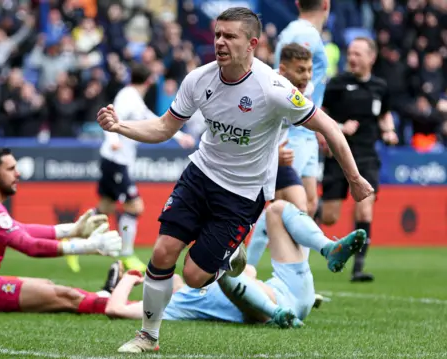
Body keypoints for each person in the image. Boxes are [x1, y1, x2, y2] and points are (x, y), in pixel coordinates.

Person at [97, 7, 373, 353]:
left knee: (196, 276)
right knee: (163, 250)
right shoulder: (198, 79)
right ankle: (148, 336)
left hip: (242, 194)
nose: (220, 42)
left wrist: (355, 178)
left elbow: (330, 127)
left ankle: (227, 258)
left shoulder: (274, 88)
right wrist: (120, 126)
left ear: (252, 44)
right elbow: (165, 127)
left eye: (230, 36)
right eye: (217, 35)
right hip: (200, 174)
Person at [102, 200, 366, 331]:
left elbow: (248, 269)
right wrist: (133, 276)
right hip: (269, 307)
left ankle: (327, 248)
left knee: (276, 209)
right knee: (221, 273)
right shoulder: (174, 304)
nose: (168, 273)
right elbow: (115, 309)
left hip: (290, 289)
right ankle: (277, 314)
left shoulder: (194, 285)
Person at [0, 147, 123, 314]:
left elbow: (22, 229)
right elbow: (30, 246)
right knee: (66, 297)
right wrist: (89, 246)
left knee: (47, 286)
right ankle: (124, 306)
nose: (18, 173)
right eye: (11, 169)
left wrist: (72, 230)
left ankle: (105, 295)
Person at [94, 63, 196, 273]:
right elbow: (110, 118)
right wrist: (113, 139)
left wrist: (178, 137)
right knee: (135, 207)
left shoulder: (131, 96)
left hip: (114, 160)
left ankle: (71, 242)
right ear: (150, 81)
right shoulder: (127, 96)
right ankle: (127, 254)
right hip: (116, 160)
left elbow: (153, 119)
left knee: (105, 208)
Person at [317, 37, 398, 283]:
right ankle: (309, 212)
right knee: (330, 216)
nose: (352, 58)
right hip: (338, 156)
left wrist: (389, 130)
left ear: (371, 57)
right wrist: (336, 130)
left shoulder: (380, 87)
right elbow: (319, 115)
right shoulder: (337, 84)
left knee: (365, 207)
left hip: (366, 156)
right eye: (350, 53)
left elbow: (384, 115)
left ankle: (358, 268)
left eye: (357, 54)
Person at [247, 42, 314, 266]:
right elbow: (247, 130)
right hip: (252, 161)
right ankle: (245, 271)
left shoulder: (306, 90)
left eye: (309, 69)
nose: (306, 77)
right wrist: (274, 151)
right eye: (300, 70)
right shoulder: (265, 89)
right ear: (283, 70)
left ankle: (301, 277)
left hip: (277, 160)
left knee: (301, 210)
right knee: (248, 218)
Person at [273, 0, 331, 218]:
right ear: (326, 4)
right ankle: (242, 245)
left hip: (305, 129)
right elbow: (286, 78)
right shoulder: (305, 34)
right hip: (294, 130)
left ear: (298, 3)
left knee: (309, 204)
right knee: (287, 203)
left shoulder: (295, 31)